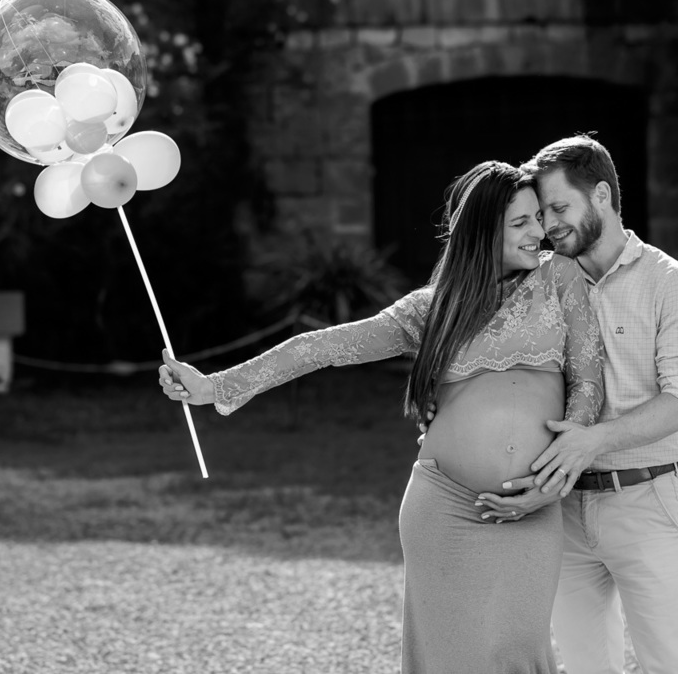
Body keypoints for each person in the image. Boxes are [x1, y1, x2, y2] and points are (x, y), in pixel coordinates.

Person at [157, 161, 605, 674]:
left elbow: (587, 382)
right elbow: (319, 348)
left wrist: (558, 479)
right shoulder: (432, 308)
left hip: (532, 506)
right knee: (447, 660)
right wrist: (216, 385)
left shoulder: (560, 277)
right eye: (520, 222)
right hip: (444, 507)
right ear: (483, 231)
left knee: (518, 653)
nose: (539, 232)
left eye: (537, 218)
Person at [431, 136, 678, 674]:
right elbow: (479, 354)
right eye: (541, 214)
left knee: (675, 662)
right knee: (584, 666)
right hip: (558, 510)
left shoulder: (671, 284)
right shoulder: (532, 281)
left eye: (560, 209)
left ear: (602, 195)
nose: (547, 227)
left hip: (642, 498)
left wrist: (593, 440)